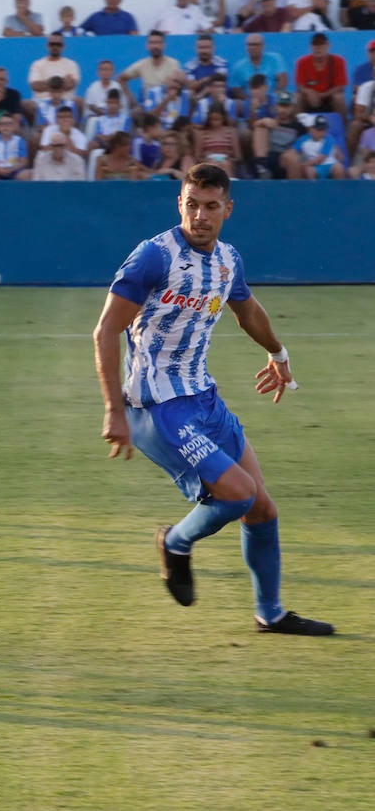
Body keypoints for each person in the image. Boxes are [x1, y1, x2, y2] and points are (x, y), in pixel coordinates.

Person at [92, 162, 333, 636]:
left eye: (210, 206)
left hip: (203, 398)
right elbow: (105, 331)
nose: (199, 216)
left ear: (227, 208)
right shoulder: (153, 258)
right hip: (156, 407)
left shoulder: (228, 260)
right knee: (239, 494)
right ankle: (176, 544)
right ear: (179, 204)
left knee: (262, 507)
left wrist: (278, 353)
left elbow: (246, 309)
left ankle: (271, 613)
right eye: (191, 205)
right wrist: (113, 410)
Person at [294, 33, 348, 114]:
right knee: (297, 98)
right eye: (315, 45)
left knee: (339, 98)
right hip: (309, 98)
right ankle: (297, 125)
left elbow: (340, 86)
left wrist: (322, 95)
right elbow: (300, 86)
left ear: (328, 45)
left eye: (321, 44)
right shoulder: (302, 62)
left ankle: (342, 125)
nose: (318, 48)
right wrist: (309, 92)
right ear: (311, 47)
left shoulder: (338, 61)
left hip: (329, 97)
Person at [291, 113, 346, 178]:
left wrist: (304, 165)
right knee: (309, 171)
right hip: (315, 167)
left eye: (324, 129)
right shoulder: (303, 140)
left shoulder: (329, 139)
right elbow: (292, 151)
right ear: (310, 129)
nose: (322, 132)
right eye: (319, 129)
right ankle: (312, 187)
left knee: (338, 167)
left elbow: (321, 158)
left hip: (330, 165)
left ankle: (339, 187)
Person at [0, 112, 30, 179]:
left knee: (28, 174)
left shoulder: (19, 140)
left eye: (9, 124)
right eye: (2, 124)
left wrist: (12, 169)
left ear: (14, 127)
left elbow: (23, 161)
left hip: (15, 171)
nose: (6, 127)